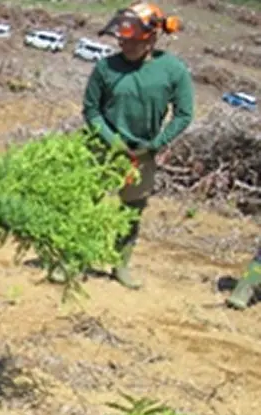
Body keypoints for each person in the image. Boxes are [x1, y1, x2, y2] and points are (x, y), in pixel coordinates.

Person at [80, 2, 192, 289]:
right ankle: (73, 256)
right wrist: (111, 139)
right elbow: (91, 110)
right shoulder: (106, 68)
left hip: (142, 154)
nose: (125, 45)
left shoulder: (173, 70)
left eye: (132, 41)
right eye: (122, 40)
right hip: (104, 149)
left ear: (151, 39)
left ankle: (120, 264)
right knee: (87, 203)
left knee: (131, 210)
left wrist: (157, 143)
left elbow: (183, 114)